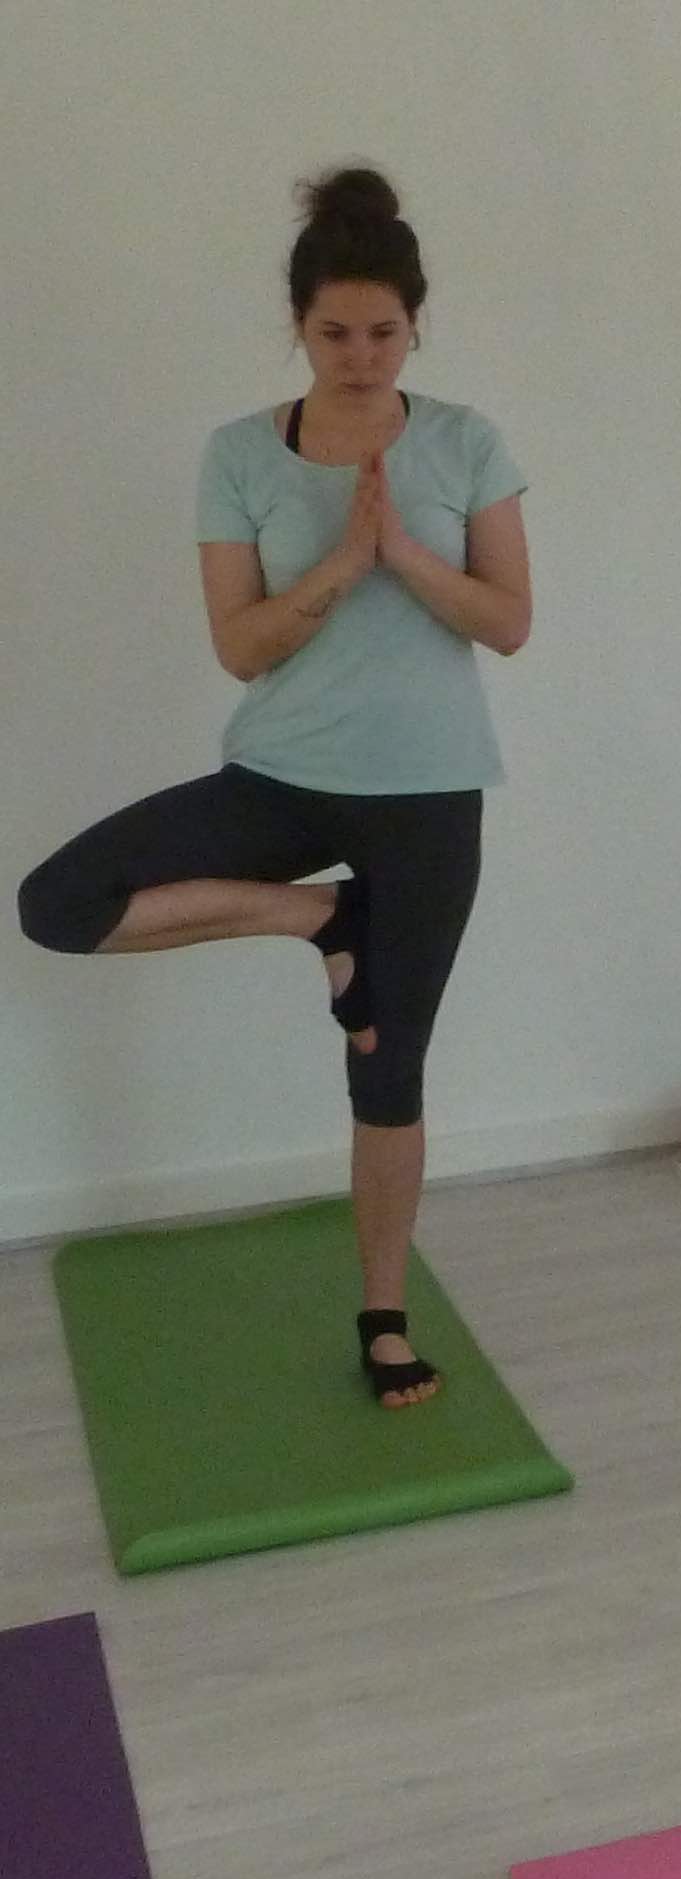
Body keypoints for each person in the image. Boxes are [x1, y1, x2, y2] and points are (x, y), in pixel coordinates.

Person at [16, 167, 530, 1406]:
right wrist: (340, 567)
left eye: (383, 332)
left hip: (428, 796)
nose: (359, 355)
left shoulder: (466, 441)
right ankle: (322, 917)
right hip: (284, 777)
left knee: (387, 1071)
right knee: (59, 900)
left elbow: (509, 622)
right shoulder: (239, 453)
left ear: (417, 325)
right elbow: (239, 645)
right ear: (298, 327)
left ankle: (384, 1317)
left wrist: (402, 550)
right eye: (333, 332)